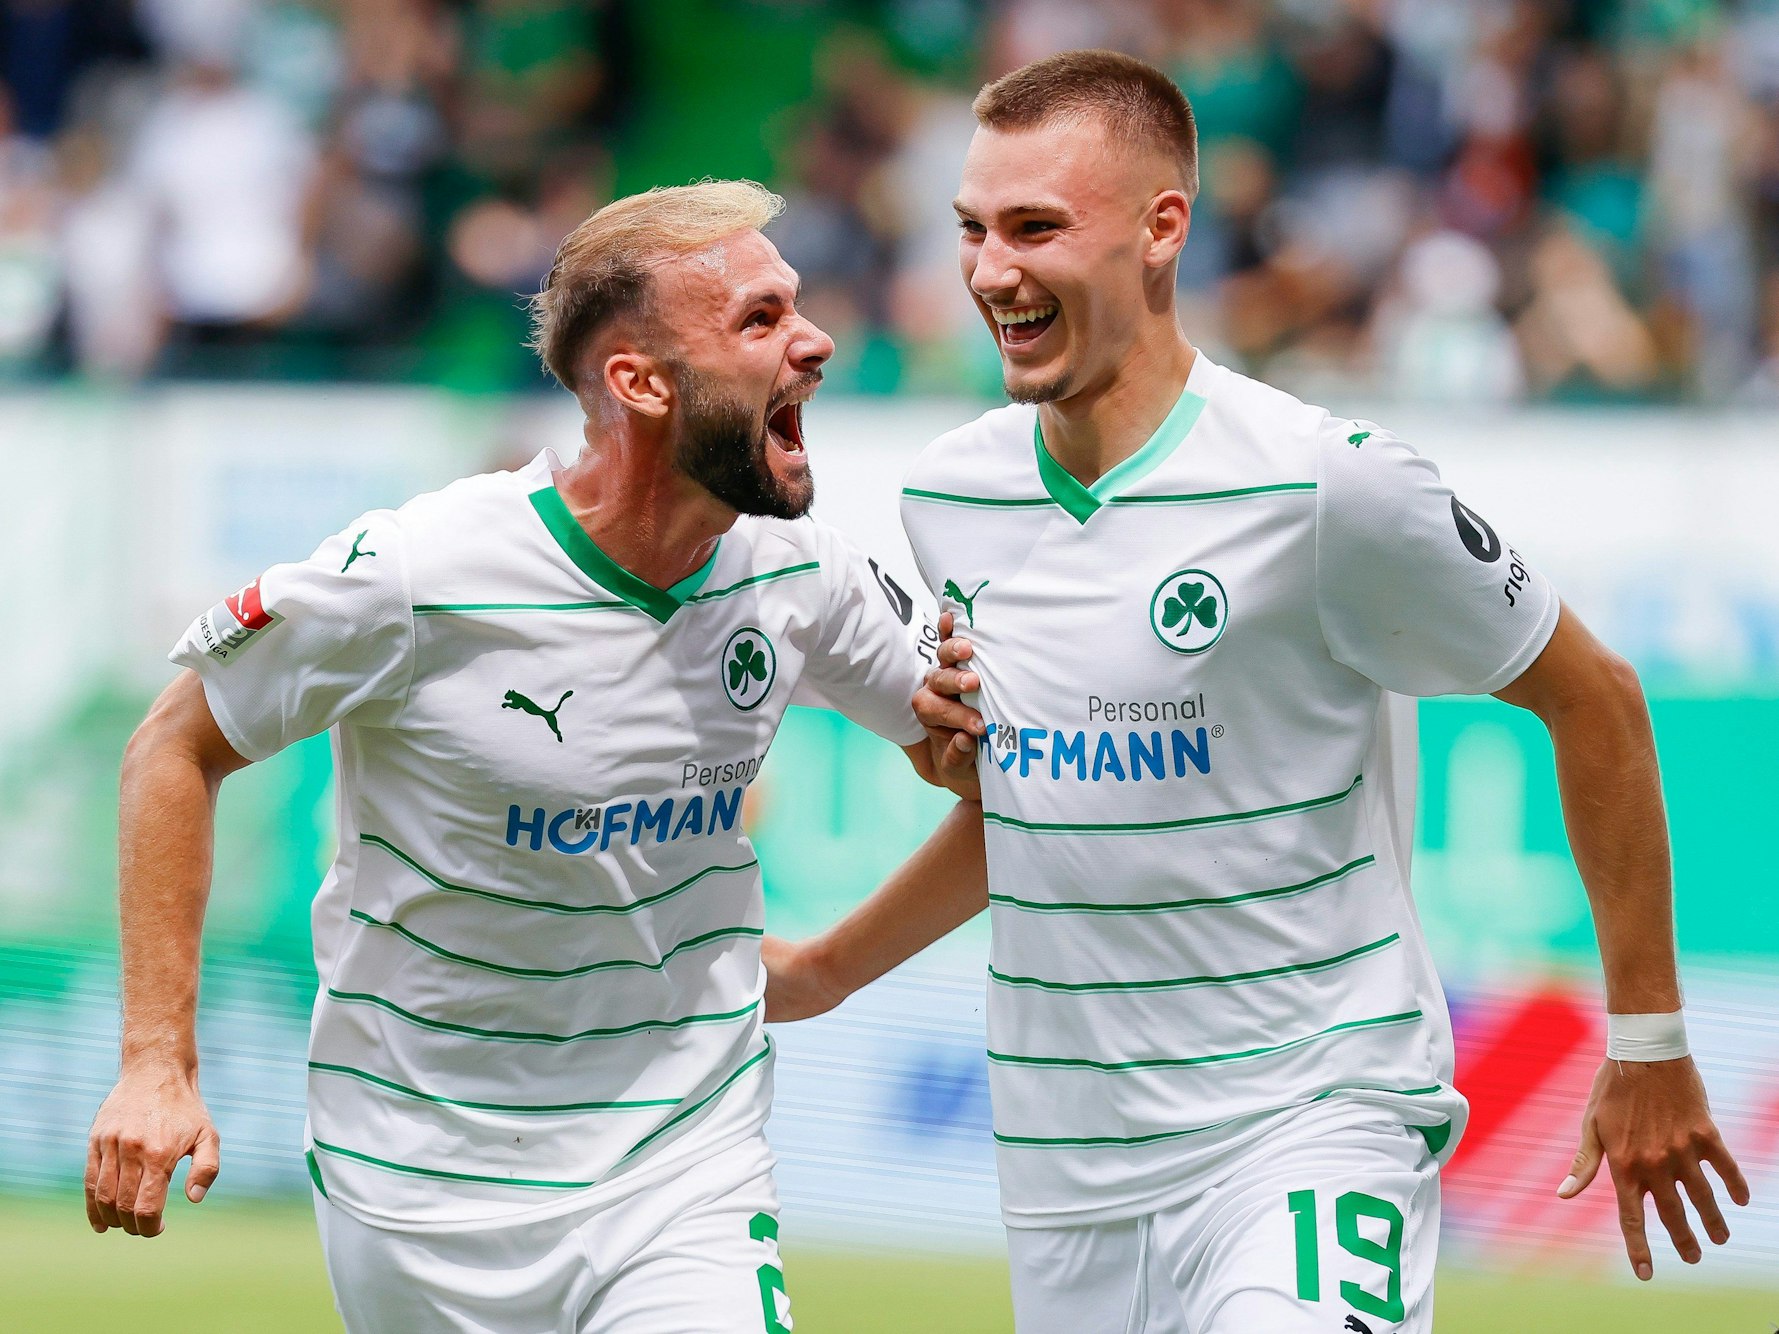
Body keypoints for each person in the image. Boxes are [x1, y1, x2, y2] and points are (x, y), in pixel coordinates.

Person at [763, 51, 1748, 1332]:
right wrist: (830, 969)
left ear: (1164, 228)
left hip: (1309, 1129)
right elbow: (1040, 806)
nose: (992, 270)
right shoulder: (950, 495)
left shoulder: (1331, 486)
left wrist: (1652, 1040)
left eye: (1037, 227)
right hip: (1066, 1166)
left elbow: (1598, 698)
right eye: (974, 229)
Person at [82, 178, 985, 1333]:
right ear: (640, 382)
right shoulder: (417, 573)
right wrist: (157, 1060)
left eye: (795, 305)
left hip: (681, 1170)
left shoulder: (801, 567)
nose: (813, 342)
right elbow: (172, 747)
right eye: (760, 319)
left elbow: (980, 764)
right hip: (418, 1185)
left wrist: (828, 965)